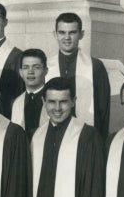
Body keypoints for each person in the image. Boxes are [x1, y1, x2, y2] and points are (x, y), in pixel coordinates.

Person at [46, 12, 111, 144]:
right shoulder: (45, 66)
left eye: (72, 32)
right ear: (55, 34)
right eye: (62, 32)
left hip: (86, 139)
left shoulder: (95, 67)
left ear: (81, 34)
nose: (67, 37)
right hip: (53, 137)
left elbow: (103, 110)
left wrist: (99, 142)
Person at [11, 48, 49, 138]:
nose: (30, 72)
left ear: (45, 71)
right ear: (21, 72)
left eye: (36, 67)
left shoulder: (53, 99)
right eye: (26, 67)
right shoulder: (16, 103)